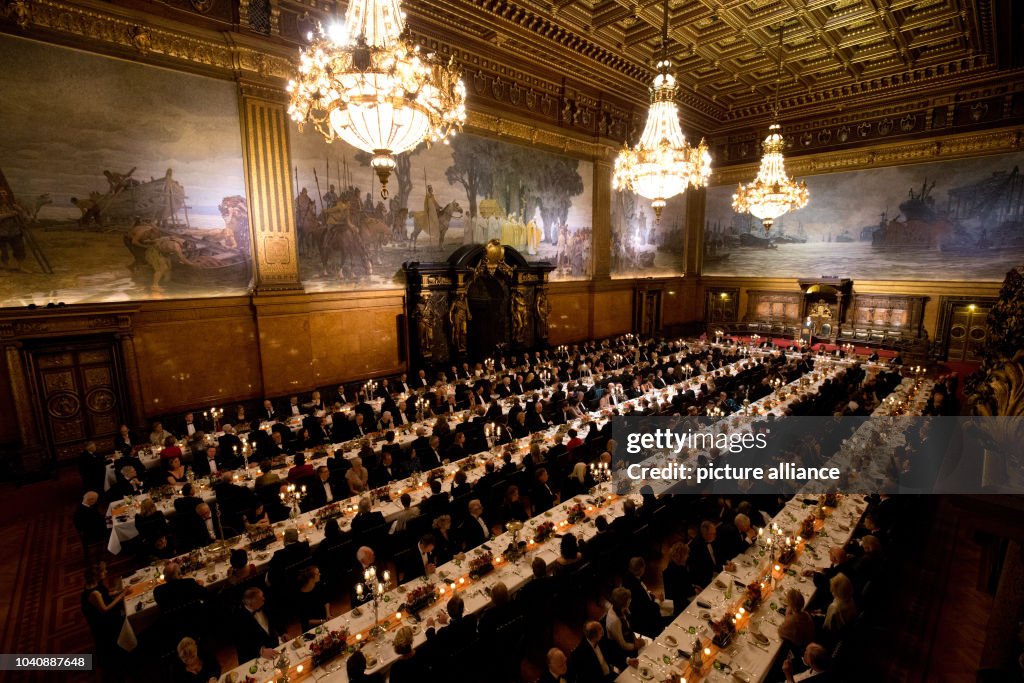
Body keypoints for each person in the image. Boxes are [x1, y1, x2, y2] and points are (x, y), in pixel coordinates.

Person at [80, 565, 127, 666]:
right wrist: (121, 595)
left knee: (124, 603)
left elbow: (106, 594)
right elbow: (104, 610)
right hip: (103, 621)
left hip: (105, 612)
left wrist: (120, 591)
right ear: (96, 575)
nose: (106, 572)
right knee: (126, 613)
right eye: (103, 571)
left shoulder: (96, 584)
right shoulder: (94, 593)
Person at [234, 587, 280, 663]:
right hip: (255, 657)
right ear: (251, 603)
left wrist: (283, 632)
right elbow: (243, 644)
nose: (264, 599)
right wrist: (261, 651)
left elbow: (276, 618)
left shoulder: (265, 605)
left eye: (263, 596)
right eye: (260, 598)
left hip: (273, 647)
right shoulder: (239, 619)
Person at [603, 587, 644, 669]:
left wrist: (634, 639)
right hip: (620, 651)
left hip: (628, 639)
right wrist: (635, 646)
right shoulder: (615, 621)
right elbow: (622, 644)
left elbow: (628, 626)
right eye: (629, 600)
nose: (631, 600)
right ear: (623, 603)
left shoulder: (621, 608)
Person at [74, 491, 107, 564]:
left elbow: (97, 517)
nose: (96, 502)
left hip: (93, 528)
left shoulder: (86, 505)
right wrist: (106, 522)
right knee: (112, 530)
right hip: (91, 534)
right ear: (90, 500)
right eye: (95, 500)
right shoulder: (82, 512)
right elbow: (94, 523)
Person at [295, 566, 331, 631]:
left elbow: (326, 600)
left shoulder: (319, 585)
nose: (320, 574)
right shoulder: (299, 597)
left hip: (324, 619)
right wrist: (322, 621)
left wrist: (328, 614)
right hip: (311, 627)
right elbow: (306, 620)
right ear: (311, 579)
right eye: (317, 573)